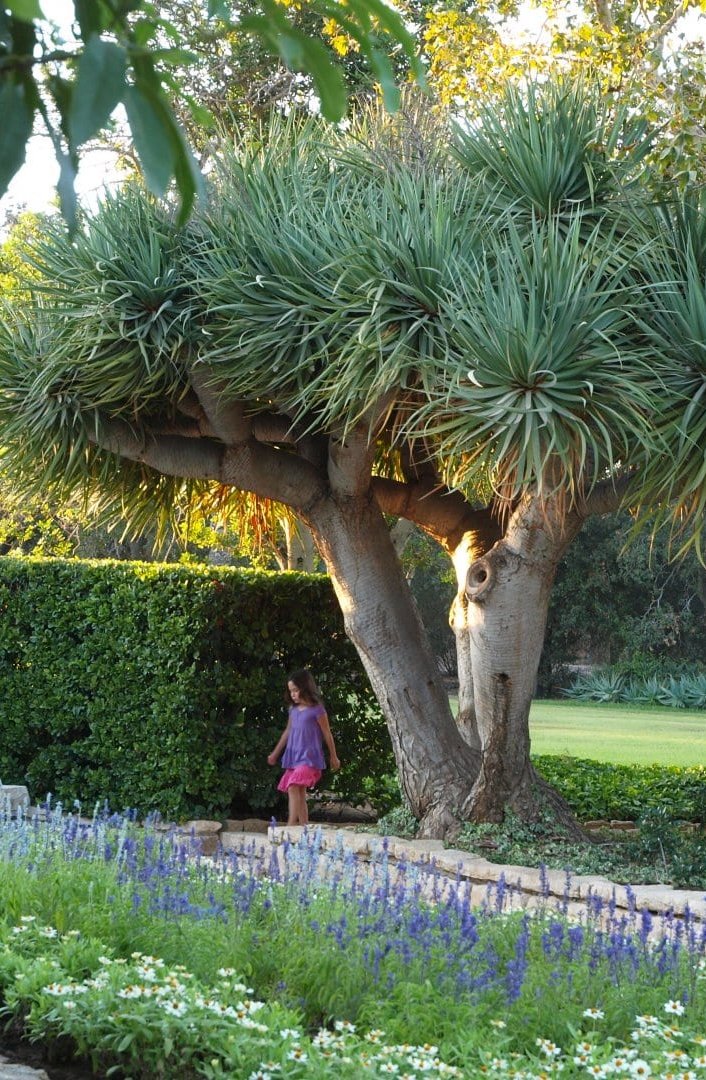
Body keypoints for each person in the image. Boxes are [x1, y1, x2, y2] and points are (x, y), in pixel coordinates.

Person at [267, 669, 340, 826]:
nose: (292, 694)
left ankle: (290, 825)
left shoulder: (317, 710)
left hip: (309, 756)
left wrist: (333, 756)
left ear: (305, 688)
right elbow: (287, 732)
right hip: (294, 756)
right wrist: (275, 753)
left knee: (293, 785)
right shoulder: (293, 710)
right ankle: (304, 828)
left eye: (295, 690)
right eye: (290, 691)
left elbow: (327, 734)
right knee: (299, 791)